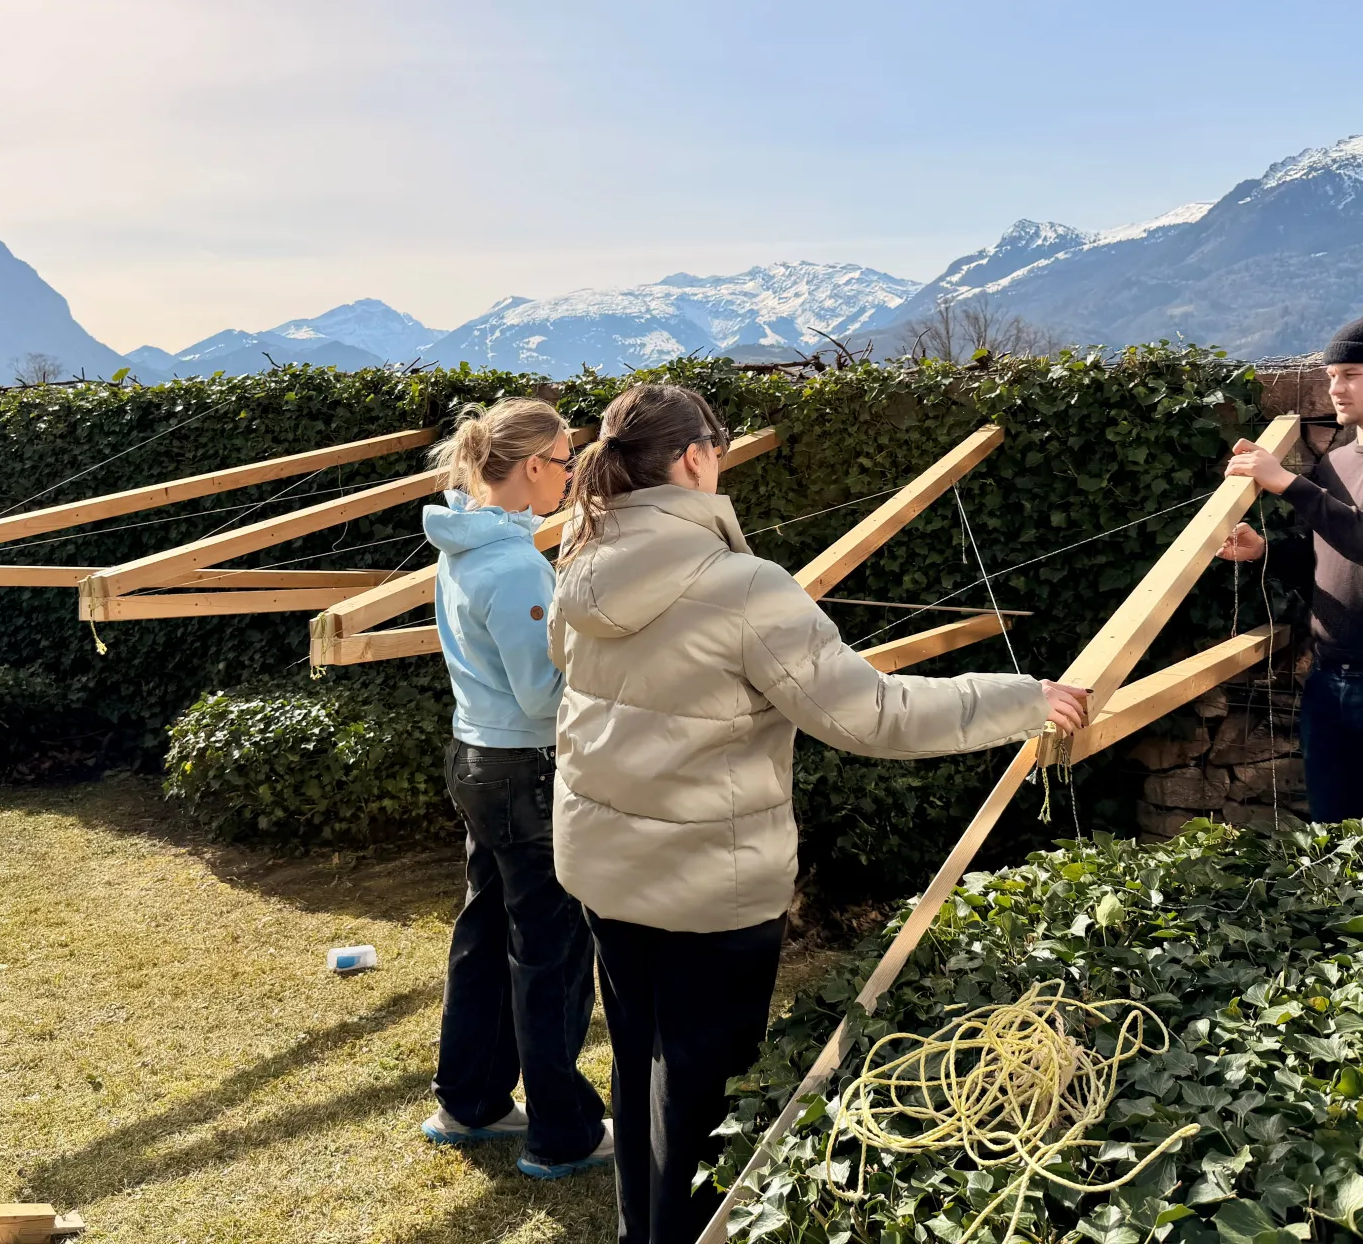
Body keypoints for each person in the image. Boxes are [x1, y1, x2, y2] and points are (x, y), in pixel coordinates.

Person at [547, 382, 1089, 1243]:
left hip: (601, 866)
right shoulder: (741, 585)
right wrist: (1023, 698)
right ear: (695, 458)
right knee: (703, 1092)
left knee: (642, 1058)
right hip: (707, 893)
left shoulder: (579, 562)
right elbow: (870, 716)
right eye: (715, 447)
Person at [418, 397, 612, 1180]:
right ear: (533, 467)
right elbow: (542, 697)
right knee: (552, 951)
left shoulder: (464, 544)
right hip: (525, 772)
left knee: (483, 937)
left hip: (476, 759)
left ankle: (469, 1103)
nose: (571, 478)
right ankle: (562, 1133)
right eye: (567, 462)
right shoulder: (513, 565)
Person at [1217, 315, 1363, 823]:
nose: (1336, 389)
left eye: (1351, 374)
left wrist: (1285, 483)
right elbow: (1321, 557)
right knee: (1331, 832)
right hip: (1328, 678)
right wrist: (1265, 553)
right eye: (1330, 377)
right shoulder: (1338, 463)